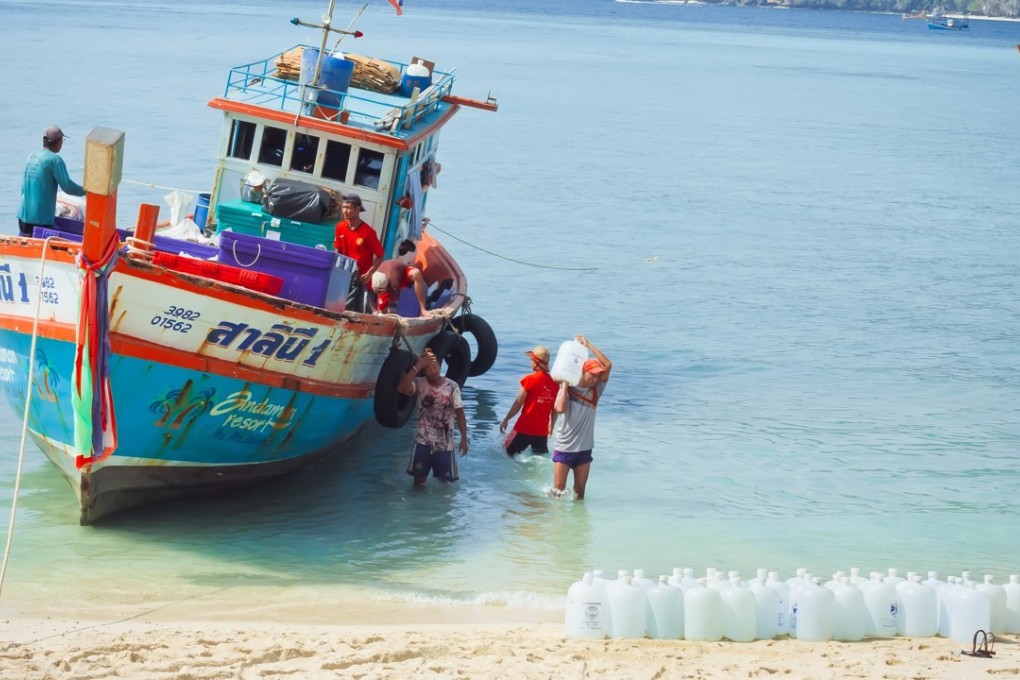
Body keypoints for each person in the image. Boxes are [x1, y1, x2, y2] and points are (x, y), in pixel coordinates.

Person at [551, 335, 611, 499]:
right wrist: (564, 385)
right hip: (564, 448)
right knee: (558, 491)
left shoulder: (596, 391)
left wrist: (588, 345)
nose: (596, 378)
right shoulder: (568, 388)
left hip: (584, 450)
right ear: (583, 372)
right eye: (593, 374)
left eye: (598, 375)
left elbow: (608, 365)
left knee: (579, 495)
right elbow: (560, 408)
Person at [398, 348, 468, 487]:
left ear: (440, 365)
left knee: (445, 485)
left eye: (435, 367)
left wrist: (463, 439)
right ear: (423, 371)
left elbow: (460, 413)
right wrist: (417, 367)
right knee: (418, 482)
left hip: (445, 444)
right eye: (428, 369)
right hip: (422, 442)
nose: (433, 371)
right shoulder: (419, 383)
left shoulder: (452, 386)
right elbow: (401, 388)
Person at [17, 125, 86, 237]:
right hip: (40, 219)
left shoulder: (31, 156)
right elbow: (67, 187)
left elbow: (23, 187)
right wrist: (86, 191)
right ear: (58, 142)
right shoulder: (55, 160)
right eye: (62, 140)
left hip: (22, 214)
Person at [499, 345, 559, 457]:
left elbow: (518, 404)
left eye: (531, 359)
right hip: (542, 431)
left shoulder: (529, 379)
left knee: (505, 453)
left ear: (536, 362)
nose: (530, 362)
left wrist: (506, 420)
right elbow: (555, 408)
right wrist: (552, 425)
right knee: (538, 458)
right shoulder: (555, 384)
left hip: (524, 428)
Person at [333, 193, 383, 309]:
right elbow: (338, 250)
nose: (345, 211)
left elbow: (380, 255)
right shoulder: (340, 227)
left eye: (349, 208)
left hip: (361, 281)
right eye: (344, 207)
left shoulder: (368, 233)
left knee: (359, 310)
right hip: (344, 276)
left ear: (358, 209)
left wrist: (369, 273)